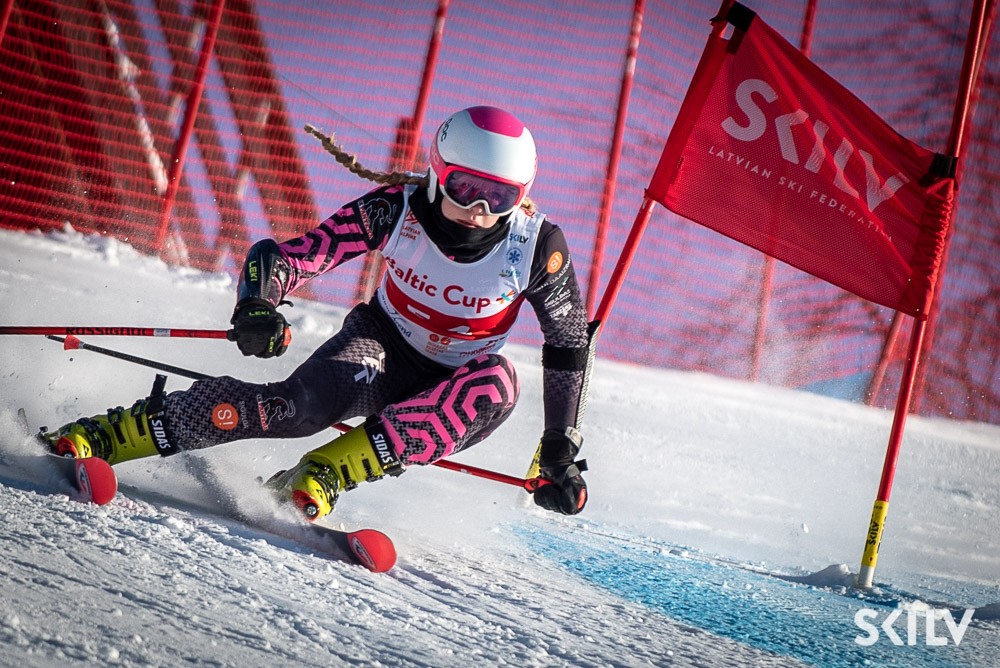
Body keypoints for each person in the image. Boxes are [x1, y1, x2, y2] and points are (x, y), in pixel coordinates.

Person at [44, 106, 593, 522]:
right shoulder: (395, 211)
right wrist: (258, 303)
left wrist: (559, 446)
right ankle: (116, 433)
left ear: (521, 195)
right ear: (437, 170)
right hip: (380, 348)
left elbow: (569, 342)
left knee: (497, 382)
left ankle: (324, 472)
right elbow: (294, 257)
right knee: (292, 409)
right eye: (465, 187)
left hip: (452, 387)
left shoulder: (535, 246)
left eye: (498, 197)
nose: (478, 209)